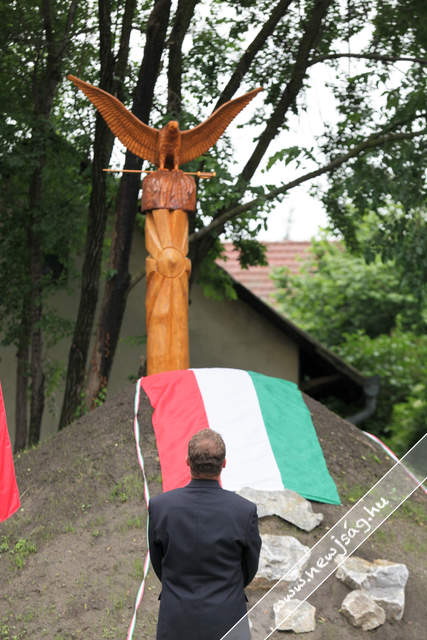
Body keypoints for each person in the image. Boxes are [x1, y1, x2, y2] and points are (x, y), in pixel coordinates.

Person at [148, 428, 262, 640]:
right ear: (224, 463)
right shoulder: (243, 511)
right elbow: (250, 566)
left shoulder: (161, 507)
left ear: (187, 462)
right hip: (227, 618)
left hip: (176, 619)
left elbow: (158, 561)